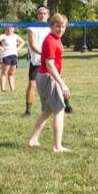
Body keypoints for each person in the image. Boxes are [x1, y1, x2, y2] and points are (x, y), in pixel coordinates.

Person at [27, 13, 71, 152]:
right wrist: (61, 83)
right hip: (48, 78)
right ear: (51, 26)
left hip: (47, 77)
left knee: (47, 110)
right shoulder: (51, 40)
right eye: (57, 26)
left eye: (63, 26)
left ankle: (33, 140)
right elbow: (50, 64)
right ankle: (57, 146)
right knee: (59, 110)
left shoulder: (56, 39)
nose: (61, 29)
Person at [24, 5, 51, 117]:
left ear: (48, 15)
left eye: (45, 13)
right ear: (37, 15)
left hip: (50, 61)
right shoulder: (31, 27)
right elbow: (33, 44)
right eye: (40, 13)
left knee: (58, 83)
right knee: (32, 85)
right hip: (36, 61)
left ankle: (67, 106)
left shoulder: (51, 27)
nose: (42, 15)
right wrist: (44, 54)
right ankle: (28, 111)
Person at [0, 25, 26, 93]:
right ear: (5, 28)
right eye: (8, 28)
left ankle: (12, 89)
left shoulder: (15, 36)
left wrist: (18, 49)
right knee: (4, 72)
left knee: (11, 73)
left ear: (13, 29)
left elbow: (23, 42)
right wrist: (1, 48)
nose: (9, 29)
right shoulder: (3, 36)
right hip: (6, 55)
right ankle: (3, 89)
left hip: (14, 56)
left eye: (11, 28)